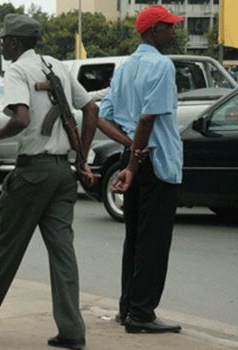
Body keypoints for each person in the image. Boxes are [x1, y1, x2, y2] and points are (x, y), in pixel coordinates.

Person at [0, 14, 99, 350]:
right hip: (61, 172)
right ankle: (72, 329)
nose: (1, 45)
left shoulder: (17, 70)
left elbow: (22, 117)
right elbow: (92, 110)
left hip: (33, 171)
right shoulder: (55, 64)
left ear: (15, 43)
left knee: (5, 248)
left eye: (4, 40)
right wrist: (82, 156)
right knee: (63, 255)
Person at [98, 5, 184, 334]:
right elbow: (147, 118)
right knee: (154, 241)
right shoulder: (160, 66)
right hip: (155, 163)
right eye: (168, 27)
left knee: (134, 238)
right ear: (152, 32)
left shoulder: (125, 67)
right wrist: (136, 157)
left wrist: (128, 148)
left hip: (132, 159)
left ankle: (127, 307)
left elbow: (102, 115)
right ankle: (142, 314)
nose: (173, 32)